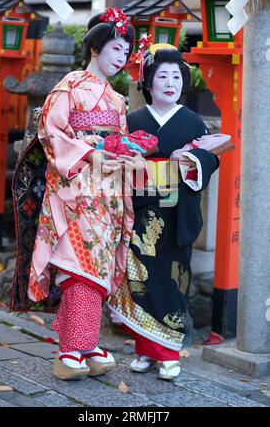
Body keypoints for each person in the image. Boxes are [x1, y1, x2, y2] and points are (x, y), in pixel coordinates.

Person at [24, 8, 147, 381]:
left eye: (125, 52)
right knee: (82, 265)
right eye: (114, 48)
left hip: (108, 191)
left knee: (102, 265)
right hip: (77, 189)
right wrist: (89, 151)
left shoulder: (115, 97)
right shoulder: (71, 85)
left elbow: (121, 141)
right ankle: (70, 351)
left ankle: (85, 343)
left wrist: (129, 151)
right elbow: (50, 129)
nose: (120, 57)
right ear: (95, 48)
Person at [108, 44, 220, 380]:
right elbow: (115, 161)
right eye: (162, 76)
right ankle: (144, 350)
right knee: (141, 280)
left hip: (175, 216)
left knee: (172, 280)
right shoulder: (132, 120)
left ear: (183, 82)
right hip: (140, 212)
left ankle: (169, 354)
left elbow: (211, 158)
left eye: (175, 76)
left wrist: (191, 160)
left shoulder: (192, 122)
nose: (169, 82)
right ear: (148, 83)